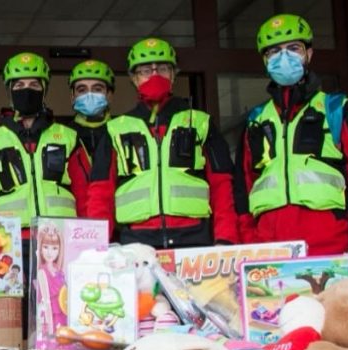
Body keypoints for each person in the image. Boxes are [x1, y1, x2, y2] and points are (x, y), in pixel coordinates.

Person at [87, 37, 237, 249]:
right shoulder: (115, 129)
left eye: (163, 69)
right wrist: (98, 245)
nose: (155, 75)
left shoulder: (201, 122)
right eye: (146, 70)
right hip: (137, 245)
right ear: (134, 78)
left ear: (174, 74)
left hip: (194, 242)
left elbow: (222, 186)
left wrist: (225, 239)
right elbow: (100, 194)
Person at [235, 14, 348, 256]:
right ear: (265, 60)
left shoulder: (337, 110)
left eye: (293, 48)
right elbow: (242, 189)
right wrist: (250, 244)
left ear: (308, 54)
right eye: (274, 52)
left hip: (333, 249)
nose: (284, 57)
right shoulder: (255, 121)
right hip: (269, 251)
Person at [0, 53, 82, 218]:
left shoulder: (68, 137)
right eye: (19, 85)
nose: (27, 91)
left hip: (59, 234)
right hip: (9, 238)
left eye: (34, 85)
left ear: (44, 91)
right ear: (9, 92)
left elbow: (85, 195)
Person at [65, 59, 115, 207]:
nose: (90, 95)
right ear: (72, 97)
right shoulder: (63, 136)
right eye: (82, 90)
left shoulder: (121, 132)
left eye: (97, 89)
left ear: (110, 95)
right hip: (73, 223)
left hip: (117, 223)